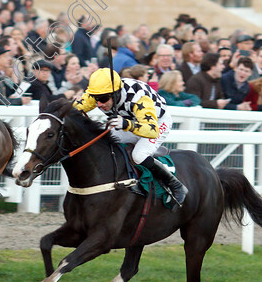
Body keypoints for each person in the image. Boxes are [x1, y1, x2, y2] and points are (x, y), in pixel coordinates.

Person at [74, 68, 188, 208]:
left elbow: (151, 130)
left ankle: (176, 185)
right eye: (95, 99)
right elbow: (74, 108)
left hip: (156, 123)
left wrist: (126, 124)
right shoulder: (99, 93)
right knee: (102, 142)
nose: (98, 104)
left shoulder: (139, 98)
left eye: (103, 100)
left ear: (115, 94)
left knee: (138, 155)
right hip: (129, 122)